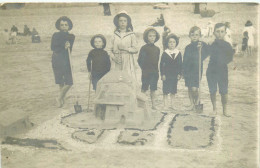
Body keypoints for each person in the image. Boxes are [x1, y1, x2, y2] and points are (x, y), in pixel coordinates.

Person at [206, 23, 234, 117]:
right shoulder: (211, 44)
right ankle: (214, 109)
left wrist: (223, 61)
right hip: (212, 70)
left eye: (222, 31)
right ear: (214, 32)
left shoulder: (227, 45)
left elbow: (230, 57)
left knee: (224, 91)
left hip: (222, 71)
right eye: (217, 31)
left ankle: (225, 110)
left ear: (225, 33)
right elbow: (205, 53)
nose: (219, 34)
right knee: (212, 90)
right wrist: (202, 47)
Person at [51, 16, 75, 108]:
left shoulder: (71, 36)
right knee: (60, 81)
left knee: (69, 81)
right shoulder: (55, 35)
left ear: (69, 26)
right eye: (62, 25)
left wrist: (68, 46)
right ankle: (62, 100)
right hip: (57, 59)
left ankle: (58, 97)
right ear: (59, 26)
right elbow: (53, 48)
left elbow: (70, 50)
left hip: (66, 59)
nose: (64, 27)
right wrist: (63, 47)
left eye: (66, 25)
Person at [183, 26, 209, 111]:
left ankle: (197, 101)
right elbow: (185, 59)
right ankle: (191, 103)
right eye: (192, 34)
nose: (194, 36)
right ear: (189, 36)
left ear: (200, 36)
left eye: (197, 35)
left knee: (195, 88)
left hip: (197, 69)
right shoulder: (188, 47)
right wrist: (183, 71)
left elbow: (207, 52)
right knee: (189, 87)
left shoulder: (202, 45)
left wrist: (201, 51)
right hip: (188, 69)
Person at [109, 11, 138, 78]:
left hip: (128, 59)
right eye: (120, 21)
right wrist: (114, 58)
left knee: (128, 77)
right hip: (117, 60)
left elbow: (135, 49)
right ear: (117, 22)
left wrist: (126, 49)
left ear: (127, 23)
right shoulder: (114, 35)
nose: (122, 23)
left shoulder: (131, 35)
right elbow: (109, 50)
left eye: (125, 21)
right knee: (117, 77)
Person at [138, 28, 160, 110]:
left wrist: (156, 70)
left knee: (153, 89)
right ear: (146, 37)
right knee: (144, 88)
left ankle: (153, 105)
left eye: (154, 36)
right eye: (150, 36)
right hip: (146, 72)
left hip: (154, 72)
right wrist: (144, 69)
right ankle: (141, 104)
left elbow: (157, 60)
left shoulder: (157, 49)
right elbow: (140, 60)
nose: (152, 38)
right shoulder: (144, 48)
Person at [160, 34, 182, 110]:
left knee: (173, 90)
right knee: (166, 90)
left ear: (176, 43)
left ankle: (172, 105)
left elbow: (180, 64)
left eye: (173, 42)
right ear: (167, 43)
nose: (172, 44)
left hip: (174, 75)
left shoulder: (178, 53)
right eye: (170, 42)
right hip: (167, 75)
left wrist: (179, 74)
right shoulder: (165, 53)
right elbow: (161, 65)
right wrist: (162, 74)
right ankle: (165, 105)